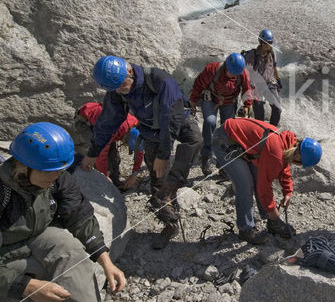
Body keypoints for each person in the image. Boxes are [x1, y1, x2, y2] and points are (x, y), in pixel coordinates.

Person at [84, 55, 202, 249]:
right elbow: (107, 122)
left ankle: (174, 182)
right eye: (115, 89)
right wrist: (93, 151)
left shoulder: (160, 80)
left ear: (129, 71)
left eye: (123, 85)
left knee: (194, 139)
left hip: (178, 119)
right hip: (150, 130)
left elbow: (170, 119)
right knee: (157, 179)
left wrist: (164, 155)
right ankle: (169, 222)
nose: (121, 90)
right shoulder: (117, 92)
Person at [0, 122, 126, 302]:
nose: (56, 177)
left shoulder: (56, 178)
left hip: (37, 236)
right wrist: (27, 286)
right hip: (5, 251)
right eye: (49, 172)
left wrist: (105, 260)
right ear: (24, 166)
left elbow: (78, 215)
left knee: (71, 249)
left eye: (60, 171)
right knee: (30, 283)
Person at [211, 117, 322, 245]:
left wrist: (288, 192)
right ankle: (246, 229)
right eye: (301, 162)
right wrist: (276, 216)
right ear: (298, 155)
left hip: (237, 140)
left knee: (258, 176)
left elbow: (284, 164)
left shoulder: (288, 143)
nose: (298, 164)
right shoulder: (274, 152)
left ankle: (269, 218)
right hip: (224, 141)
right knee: (245, 186)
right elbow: (264, 187)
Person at [189, 53, 253, 176]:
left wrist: (247, 105)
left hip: (229, 102)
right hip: (211, 99)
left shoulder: (242, 73)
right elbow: (198, 84)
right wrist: (193, 101)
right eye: (232, 73)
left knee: (227, 130)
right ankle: (206, 155)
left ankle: (223, 163)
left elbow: (246, 89)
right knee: (210, 122)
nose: (234, 76)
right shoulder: (212, 69)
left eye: (236, 74)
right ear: (226, 67)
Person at [73, 102, 144, 190]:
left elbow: (140, 150)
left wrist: (134, 174)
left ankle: (114, 181)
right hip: (85, 122)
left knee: (114, 157)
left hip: (104, 125)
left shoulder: (137, 128)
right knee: (93, 154)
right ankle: (97, 184)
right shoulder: (111, 129)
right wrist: (104, 175)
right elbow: (100, 155)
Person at [242, 29, 283, 126]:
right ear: (260, 42)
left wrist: (278, 79)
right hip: (256, 87)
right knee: (259, 113)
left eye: (270, 42)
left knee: (277, 109)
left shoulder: (272, 54)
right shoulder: (252, 55)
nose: (267, 44)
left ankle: (271, 131)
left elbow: (274, 67)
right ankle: (260, 133)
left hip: (269, 84)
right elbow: (243, 69)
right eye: (265, 42)